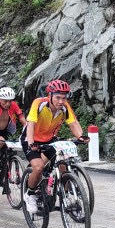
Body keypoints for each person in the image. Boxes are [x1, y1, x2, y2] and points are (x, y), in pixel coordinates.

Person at [24, 79, 85, 213]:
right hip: (31, 138)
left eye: (64, 98)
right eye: (57, 97)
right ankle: (30, 194)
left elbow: (73, 123)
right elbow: (31, 124)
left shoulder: (65, 107)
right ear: (50, 96)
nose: (61, 101)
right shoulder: (39, 103)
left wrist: (80, 136)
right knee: (39, 167)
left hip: (50, 139)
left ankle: (68, 194)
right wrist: (31, 143)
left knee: (63, 163)